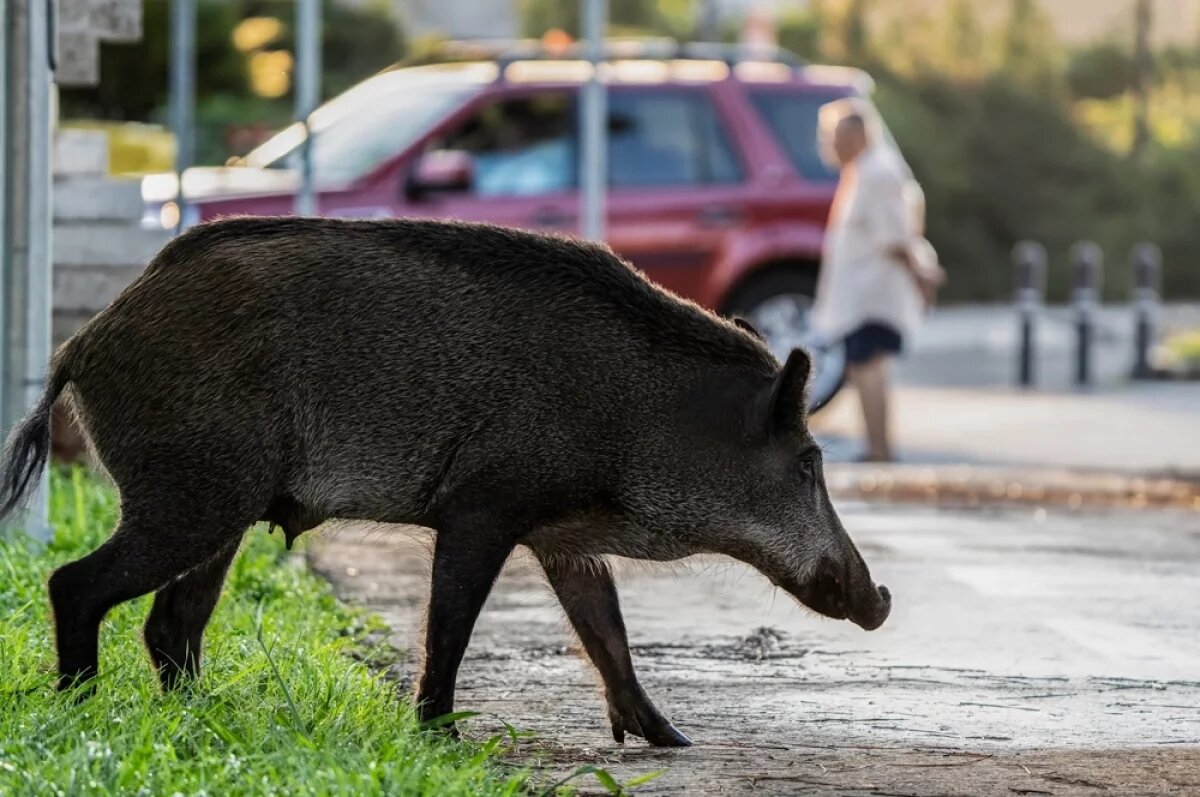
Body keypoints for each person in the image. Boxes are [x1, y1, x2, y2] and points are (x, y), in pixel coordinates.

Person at [813, 98, 945, 463]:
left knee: (869, 366)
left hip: (872, 295)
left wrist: (921, 276)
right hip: (861, 294)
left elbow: (896, 237)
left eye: (832, 135)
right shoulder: (863, 170)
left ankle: (879, 448)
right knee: (865, 367)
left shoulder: (878, 173)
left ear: (855, 135)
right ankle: (877, 445)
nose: (827, 144)